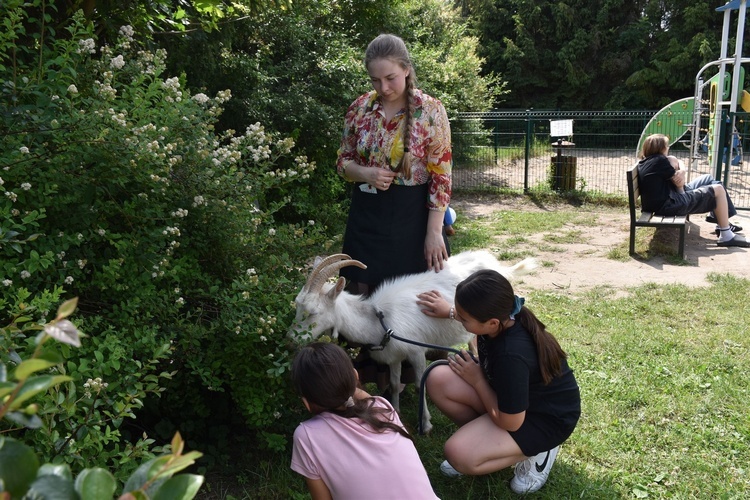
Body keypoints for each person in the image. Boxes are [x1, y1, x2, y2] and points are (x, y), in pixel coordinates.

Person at [416, 271, 581, 494]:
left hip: (543, 419)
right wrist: (450, 311)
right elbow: (478, 321)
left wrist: (477, 380)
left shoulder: (510, 355)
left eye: (464, 318)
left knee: (458, 454)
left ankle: (539, 451)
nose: (460, 320)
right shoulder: (506, 315)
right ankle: (490, 446)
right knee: (438, 379)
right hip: (514, 402)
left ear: (491, 323)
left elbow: (511, 423)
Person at [336, 33, 453, 296]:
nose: (383, 87)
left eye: (390, 78)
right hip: (365, 218)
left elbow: (441, 178)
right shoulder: (358, 109)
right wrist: (365, 173)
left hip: (412, 220)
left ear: (406, 69)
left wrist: (434, 232)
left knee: (411, 306)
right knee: (360, 303)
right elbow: (343, 162)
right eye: (375, 80)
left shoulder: (431, 111)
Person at [290, 342, 439, 500]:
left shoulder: (306, 436)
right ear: (355, 376)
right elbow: (364, 398)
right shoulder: (383, 407)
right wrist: (349, 383)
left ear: (306, 403)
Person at [638, 134, 747, 248]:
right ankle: (726, 234)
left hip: (665, 201)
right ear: (661, 148)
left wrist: (682, 171)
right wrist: (681, 185)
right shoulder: (660, 161)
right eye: (667, 145)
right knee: (718, 189)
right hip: (669, 205)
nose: (668, 148)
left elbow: (677, 163)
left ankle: (722, 224)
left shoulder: (648, 161)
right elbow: (679, 184)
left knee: (709, 178)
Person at [666, 154, 740, 234]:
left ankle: (718, 219)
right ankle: (722, 223)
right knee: (717, 186)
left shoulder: (664, 160)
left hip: (685, 187)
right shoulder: (666, 162)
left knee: (709, 178)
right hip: (683, 193)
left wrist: (682, 171)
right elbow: (678, 187)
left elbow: (679, 161)